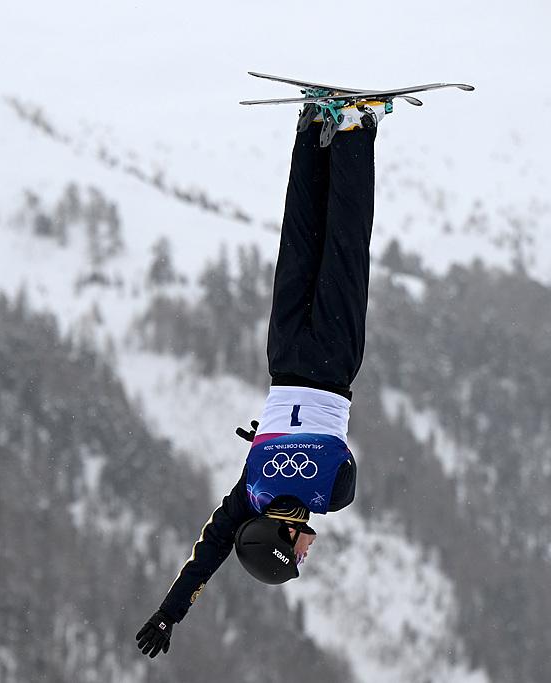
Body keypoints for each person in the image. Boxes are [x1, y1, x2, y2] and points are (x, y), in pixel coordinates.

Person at [136, 101, 387, 659]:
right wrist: (166, 614)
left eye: (295, 555)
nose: (305, 554)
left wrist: (171, 615)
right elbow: (207, 555)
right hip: (283, 356)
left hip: (331, 365)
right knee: (299, 244)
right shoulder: (249, 496)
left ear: (283, 537)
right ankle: (313, 132)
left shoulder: (332, 494)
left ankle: (354, 129)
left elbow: (336, 466)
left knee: (344, 251)